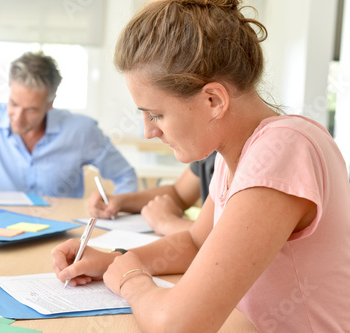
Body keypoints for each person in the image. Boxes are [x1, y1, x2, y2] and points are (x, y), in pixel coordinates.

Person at [51, 1, 350, 332]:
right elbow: (196, 243)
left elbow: (177, 326)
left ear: (214, 101)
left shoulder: (285, 150)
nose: (149, 131)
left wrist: (132, 280)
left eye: (156, 114)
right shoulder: (234, 156)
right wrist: (113, 260)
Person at [0, 51, 138, 199]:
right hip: (0, 234)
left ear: (50, 103)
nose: (18, 117)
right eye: (13, 103)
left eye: (32, 109)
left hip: (63, 239)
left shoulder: (81, 131)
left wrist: (115, 205)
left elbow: (126, 176)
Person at [88, 151, 216, 235]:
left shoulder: (233, 160)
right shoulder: (209, 152)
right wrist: (120, 201)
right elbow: (178, 195)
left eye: (158, 115)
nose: (150, 133)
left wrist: (168, 223)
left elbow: (229, 239)